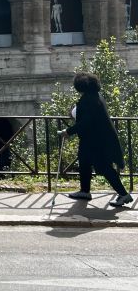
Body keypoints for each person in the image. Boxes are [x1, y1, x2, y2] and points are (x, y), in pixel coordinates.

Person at [57, 72, 133, 207]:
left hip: (97, 142)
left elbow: (85, 122)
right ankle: (85, 191)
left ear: (81, 87)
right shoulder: (95, 96)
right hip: (93, 139)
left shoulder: (88, 101)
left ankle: (123, 194)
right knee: (84, 162)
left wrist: (68, 131)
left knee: (104, 167)